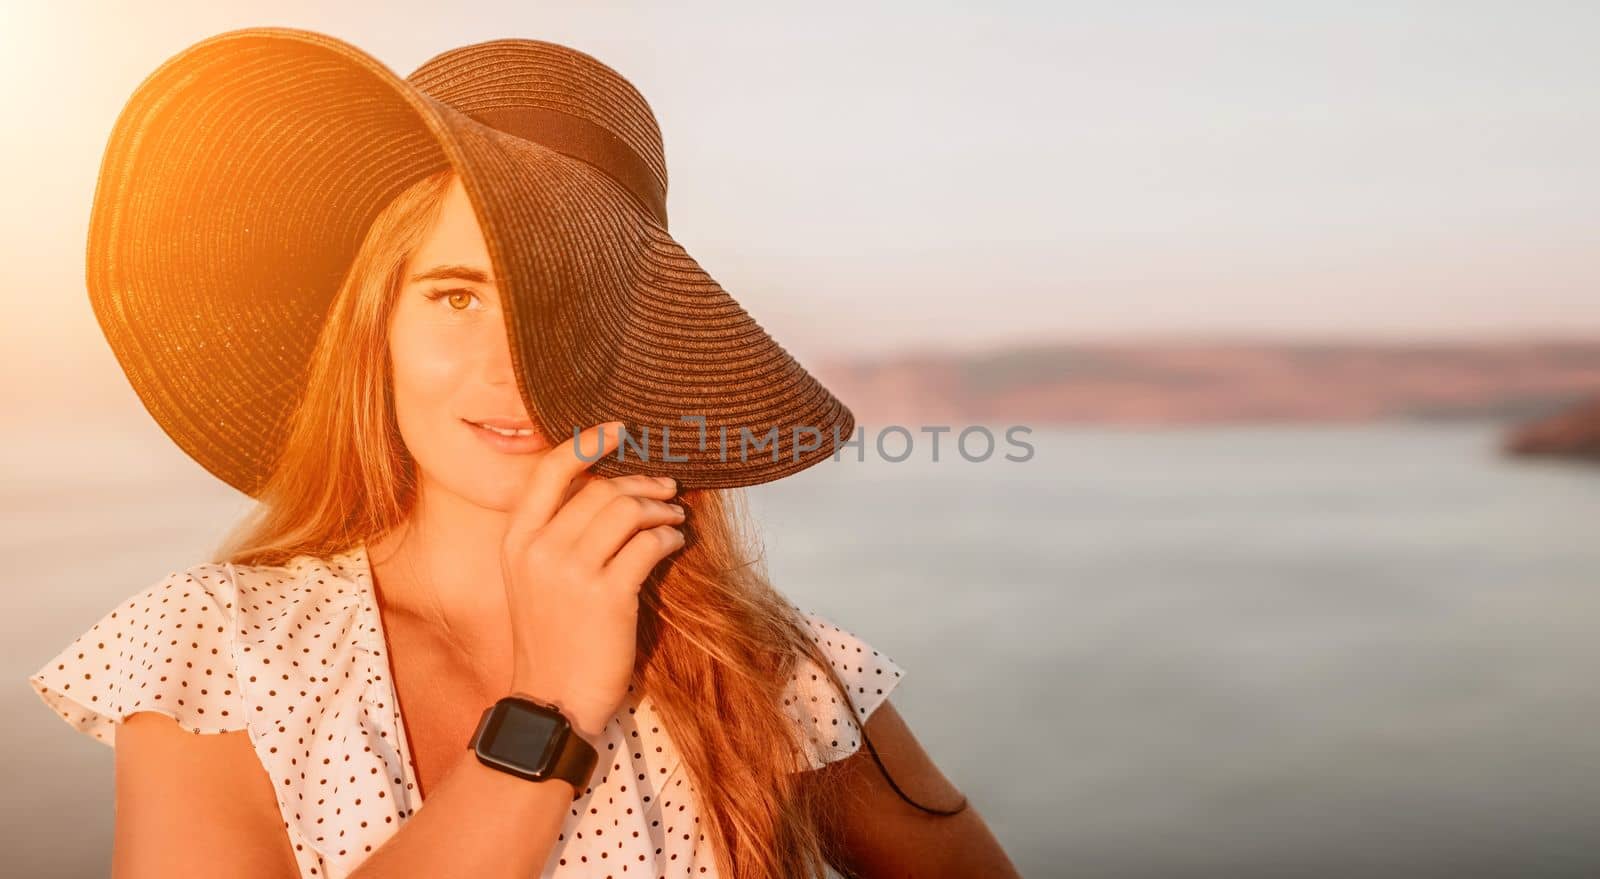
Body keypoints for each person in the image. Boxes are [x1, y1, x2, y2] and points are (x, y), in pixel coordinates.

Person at [28, 28, 1022, 879]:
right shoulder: (220, 650)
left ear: (633, 343)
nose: (512, 367)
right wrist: (546, 705)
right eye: (456, 297)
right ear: (378, 328)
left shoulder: (755, 664)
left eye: (567, 306)